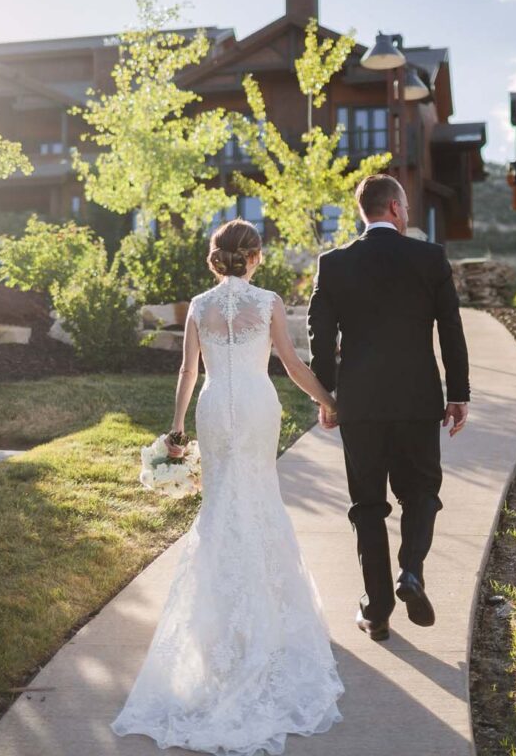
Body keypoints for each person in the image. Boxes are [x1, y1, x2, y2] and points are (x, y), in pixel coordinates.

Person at [111, 219, 344, 755]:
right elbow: (289, 363)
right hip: (258, 409)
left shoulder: (198, 305)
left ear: (217, 259)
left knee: (221, 509)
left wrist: (177, 428)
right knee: (259, 502)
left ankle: (215, 626)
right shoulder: (269, 302)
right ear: (255, 256)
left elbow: (188, 373)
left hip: (215, 411)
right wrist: (330, 400)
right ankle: (261, 618)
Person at [307, 173, 470, 642]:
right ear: (396, 209)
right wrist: (458, 393)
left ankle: (377, 611)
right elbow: (451, 330)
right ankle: (411, 572)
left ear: (365, 211)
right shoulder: (429, 257)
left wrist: (328, 394)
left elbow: (321, 336)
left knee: (368, 506)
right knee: (421, 493)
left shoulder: (333, 264)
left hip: (360, 404)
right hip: (418, 400)